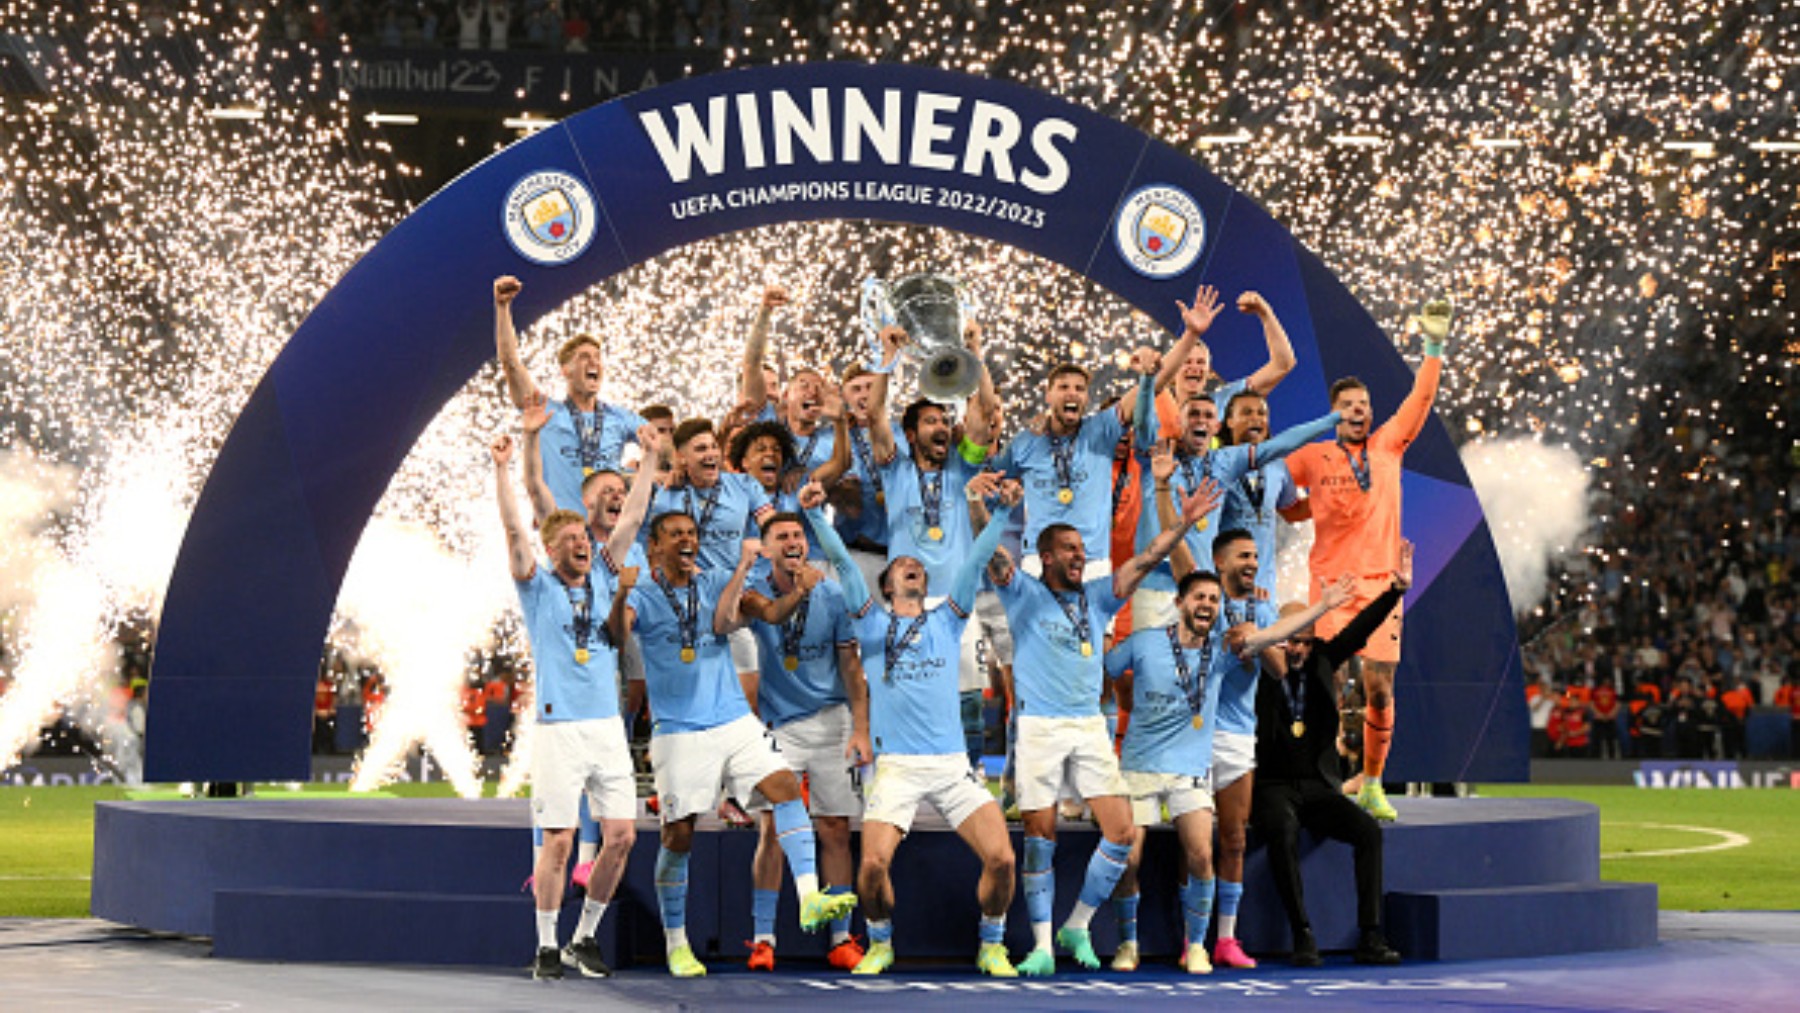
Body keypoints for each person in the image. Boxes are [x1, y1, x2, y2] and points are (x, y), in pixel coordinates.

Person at [984, 465, 1222, 976]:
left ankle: (1079, 923)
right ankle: (1044, 946)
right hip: (1040, 729)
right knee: (1039, 839)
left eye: (1081, 549)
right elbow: (990, 555)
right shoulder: (1021, 592)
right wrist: (988, 508)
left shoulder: (1097, 596)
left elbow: (1149, 557)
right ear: (1046, 555)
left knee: (1119, 832)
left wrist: (1183, 525)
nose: (1079, 555)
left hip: (1089, 727)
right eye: (1069, 549)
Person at [611, 511, 857, 977]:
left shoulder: (718, 581)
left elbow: (766, 612)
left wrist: (799, 591)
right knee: (678, 833)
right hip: (679, 730)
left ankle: (808, 897)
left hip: (734, 722)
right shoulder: (641, 593)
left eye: (691, 533)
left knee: (785, 785)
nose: (687, 539)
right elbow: (616, 635)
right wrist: (621, 590)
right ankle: (677, 943)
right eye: (675, 534)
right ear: (654, 549)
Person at [805, 476, 1021, 978]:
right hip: (897, 767)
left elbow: (972, 563)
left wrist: (1002, 513)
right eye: (902, 565)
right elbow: (840, 562)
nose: (912, 567)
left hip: (952, 766)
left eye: (918, 567)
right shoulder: (872, 624)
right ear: (885, 586)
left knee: (1003, 860)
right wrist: (817, 516)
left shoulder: (947, 620)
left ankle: (991, 943)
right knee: (873, 866)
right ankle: (880, 943)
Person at [1106, 566, 1353, 973]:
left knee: (1203, 853)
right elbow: (1105, 669)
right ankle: (1127, 944)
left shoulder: (1223, 652)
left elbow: (1274, 636)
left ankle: (1199, 946)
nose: (1207, 604)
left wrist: (1321, 607)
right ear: (1179, 602)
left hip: (1190, 770)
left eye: (1213, 599)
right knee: (1128, 859)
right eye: (1199, 596)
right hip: (1141, 766)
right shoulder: (1146, 642)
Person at [1282, 298, 1453, 821]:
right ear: (1335, 413)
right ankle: (1318, 778)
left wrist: (1433, 349)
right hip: (1330, 586)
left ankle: (1374, 784)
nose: (1359, 410)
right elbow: (1283, 503)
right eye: (1349, 404)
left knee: (1379, 685)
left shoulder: (1388, 448)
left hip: (1380, 587)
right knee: (1323, 686)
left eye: (1364, 404)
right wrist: (1318, 504)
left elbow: (1420, 400)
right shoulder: (1312, 456)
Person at [491, 434, 635, 980]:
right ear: (552, 551)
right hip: (558, 730)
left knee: (620, 837)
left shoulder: (602, 574)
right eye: (571, 538)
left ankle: (584, 938)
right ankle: (547, 945)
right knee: (559, 842)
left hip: (606, 728)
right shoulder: (538, 588)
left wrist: (644, 461)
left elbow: (633, 515)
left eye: (584, 536)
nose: (583, 543)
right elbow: (512, 529)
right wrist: (502, 468)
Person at [1252, 544, 1413, 968]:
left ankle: (1371, 935)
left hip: (1319, 787)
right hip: (1271, 786)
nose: (1297, 649)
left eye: (1305, 640)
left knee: (1368, 832)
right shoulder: (1259, 669)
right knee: (1282, 831)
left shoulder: (1324, 658)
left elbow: (1359, 631)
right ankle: (1303, 934)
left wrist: (1394, 593)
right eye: (1289, 639)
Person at [990, 285, 1220, 577]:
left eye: (1079, 389)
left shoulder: (1101, 429)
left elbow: (1155, 383)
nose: (1071, 394)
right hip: (1038, 563)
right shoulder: (1025, 442)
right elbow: (991, 477)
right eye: (1063, 388)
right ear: (1048, 396)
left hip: (1092, 563)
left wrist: (1191, 335)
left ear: (1087, 398)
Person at [737, 512, 875, 972]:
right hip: (780, 726)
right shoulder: (755, 591)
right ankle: (762, 939)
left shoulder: (833, 594)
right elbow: (756, 617)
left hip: (832, 719)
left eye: (799, 535)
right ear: (767, 548)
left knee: (834, 828)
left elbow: (852, 668)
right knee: (772, 831)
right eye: (783, 537)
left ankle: (840, 937)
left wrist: (859, 727)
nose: (793, 542)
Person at [1128, 364, 1338, 629]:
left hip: (1203, 592)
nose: (1200, 421)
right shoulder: (1158, 455)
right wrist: (1147, 380)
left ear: (1216, 426)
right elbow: (1142, 423)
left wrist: (1331, 421)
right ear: (1179, 422)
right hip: (1156, 587)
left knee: (1202, 668)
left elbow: (1281, 443)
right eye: (1193, 414)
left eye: (1207, 415)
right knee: (1153, 668)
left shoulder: (1224, 462)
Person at [493, 275, 648, 514]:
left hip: (609, 534)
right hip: (563, 534)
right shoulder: (544, 411)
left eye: (597, 357)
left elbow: (662, 444)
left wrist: (648, 470)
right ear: (566, 370)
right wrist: (502, 308)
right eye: (584, 357)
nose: (594, 362)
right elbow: (511, 362)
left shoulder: (621, 417)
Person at [1204, 527, 1283, 969]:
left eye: (1255, 556)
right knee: (1194, 845)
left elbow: (1278, 670)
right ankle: (1194, 939)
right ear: (1219, 563)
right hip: (1194, 735)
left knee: (1233, 840)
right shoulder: (1203, 599)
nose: (1252, 563)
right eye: (1242, 556)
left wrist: (1256, 637)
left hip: (1236, 736)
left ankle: (1226, 939)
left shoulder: (1265, 606)